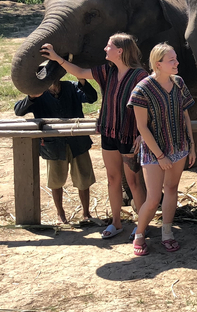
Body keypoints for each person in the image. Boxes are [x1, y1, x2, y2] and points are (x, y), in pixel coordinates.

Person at [41, 34, 148, 239]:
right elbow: (80, 72)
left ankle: (141, 224)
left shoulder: (140, 76)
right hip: (109, 131)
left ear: (120, 51)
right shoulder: (107, 71)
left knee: (133, 181)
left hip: (130, 135)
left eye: (109, 46)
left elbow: (150, 106)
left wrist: (143, 134)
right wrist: (56, 58)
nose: (105, 49)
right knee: (112, 178)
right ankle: (116, 223)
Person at [128, 43, 197, 256]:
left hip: (178, 146)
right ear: (158, 64)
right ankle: (140, 233)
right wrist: (160, 156)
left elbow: (186, 115)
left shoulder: (179, 83)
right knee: (153, 197)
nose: (177, 63)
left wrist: (192, 146)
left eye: (176, 59)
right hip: (153, 151)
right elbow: (141, 127)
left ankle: (167, 233)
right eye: (172, 60)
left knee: (173, 188)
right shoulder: (142, 89)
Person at [14, 78, 98, 224]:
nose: (51, 83)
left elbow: (92, 98)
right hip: (53, 145)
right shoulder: (37, 93)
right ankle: (60, 214)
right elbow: (18, 111)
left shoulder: (71, 87)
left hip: (77, 142)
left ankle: (86, 214)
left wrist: (82, 80)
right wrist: (31, 97)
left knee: (83, 178)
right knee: (56, 180)